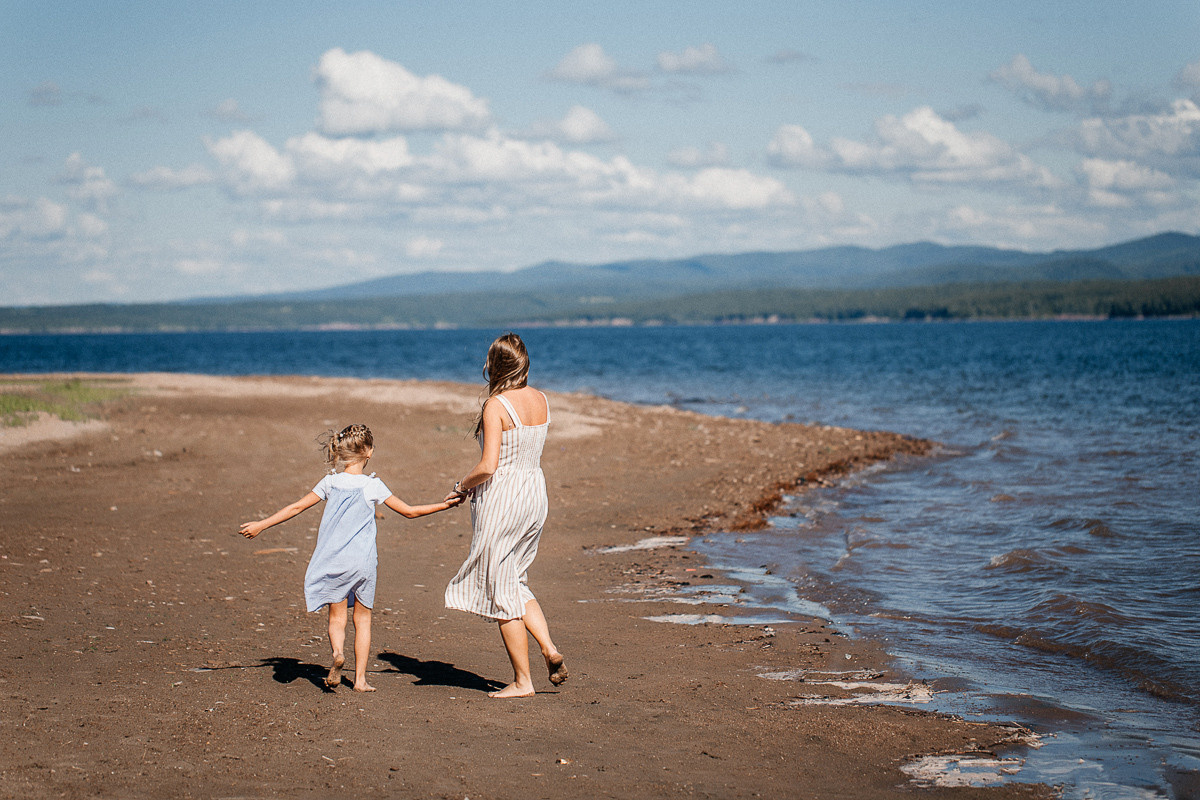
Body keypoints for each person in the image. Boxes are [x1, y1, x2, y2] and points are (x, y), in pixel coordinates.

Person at [239, 423, 461, 692]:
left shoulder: (330, 482)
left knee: (336, 617)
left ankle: (336, 654)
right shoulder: (373, 486)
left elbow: (296, 507)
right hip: (363, 562)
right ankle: (360, 680)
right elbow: (410, 511)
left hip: (335, 561)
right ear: (368, 453)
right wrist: (445, 504)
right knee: (363, 619)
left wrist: (262, 524)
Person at [445, 332, 568, 698]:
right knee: (515, 578)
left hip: (504, 498)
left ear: (494, 366)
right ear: (524, 363)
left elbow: (489, 465)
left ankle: (523, 681)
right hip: (534, 493)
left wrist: (461, 485)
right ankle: (548, 648)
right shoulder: (542, 400)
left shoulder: (496, 405)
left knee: (500, 587)